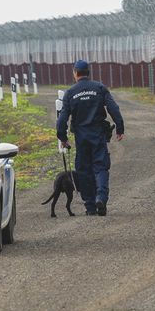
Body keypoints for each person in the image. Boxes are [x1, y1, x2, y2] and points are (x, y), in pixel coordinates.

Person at [56, 59, 125, 216]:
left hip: (81, 138)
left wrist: (62, 137)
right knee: (100, 167)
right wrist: (119, 128)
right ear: (88, 72)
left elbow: (62, 118)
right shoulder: (99, 88)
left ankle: (90, 206)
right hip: (98, 135)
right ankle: (100, 197)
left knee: (84, 170)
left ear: (75, 73)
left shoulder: (70, 93)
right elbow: (113, 108)